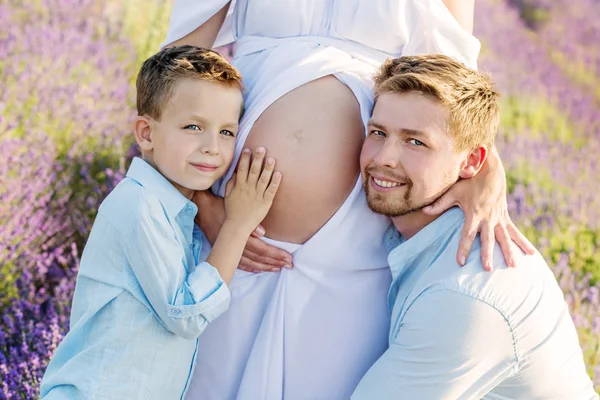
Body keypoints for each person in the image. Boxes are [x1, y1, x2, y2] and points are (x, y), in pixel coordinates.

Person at [163, 1, 535, 399]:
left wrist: (489, 166)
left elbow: (457, 83)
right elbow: (171, 72)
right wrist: (200, 204)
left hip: (356, 242)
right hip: (235, 231)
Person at [40, 46, 281, 399]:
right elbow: (185, 314)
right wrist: (238, 226)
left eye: (227, 132)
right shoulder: (137, 205)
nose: (212, 147)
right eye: (193, 126)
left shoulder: (176, 211)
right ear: (146, 133)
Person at [352, 54, 598, 400]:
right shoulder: (421, 235)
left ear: (471, 162)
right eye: (378, 133)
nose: (383, 158)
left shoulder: (464, 292)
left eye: (415, 142)